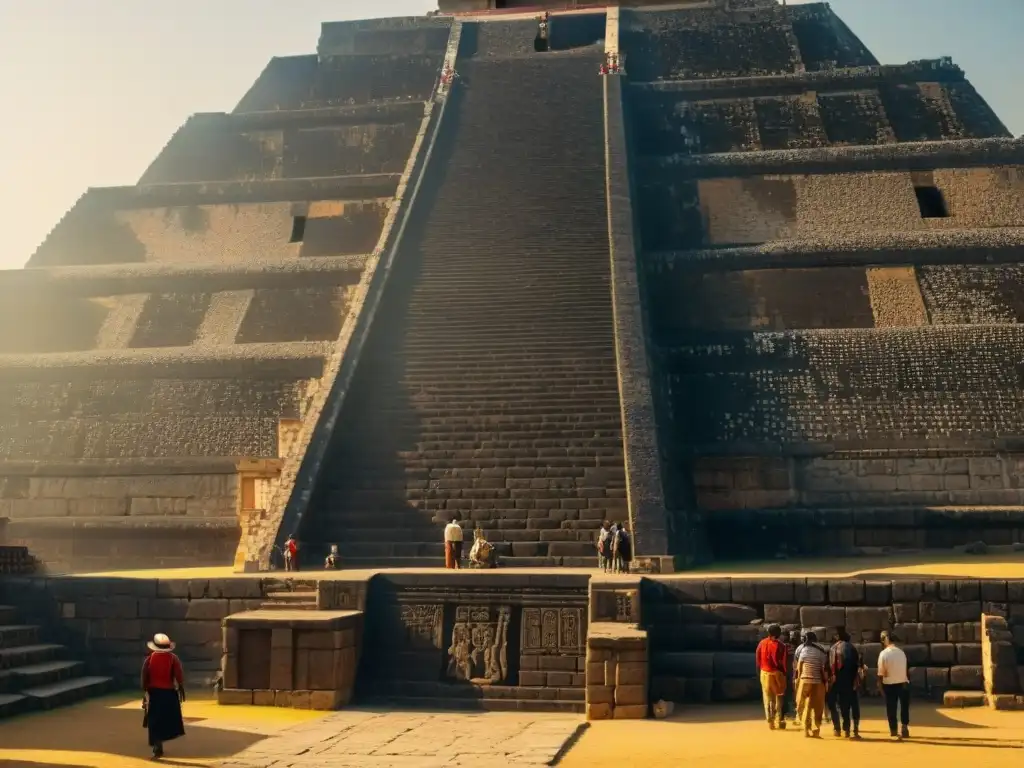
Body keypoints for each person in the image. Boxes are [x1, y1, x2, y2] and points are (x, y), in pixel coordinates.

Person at [142, 633, 186, 760]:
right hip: (168, 693)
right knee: (167, 719)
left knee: (154, 720)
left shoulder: (150, 659)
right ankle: (161, 740)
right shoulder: (173, 658)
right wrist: (181, 687)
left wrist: (145, 691)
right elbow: (179, 674)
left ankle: (157, 745)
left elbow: (144, 676)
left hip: (154, 692)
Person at [828, 628, 864, 738]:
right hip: (850, 679)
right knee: (852, 704)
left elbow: (829, 666)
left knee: (836, 704)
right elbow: (857, 664)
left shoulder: (832, 648)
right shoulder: (851, 647)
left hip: (835, 681)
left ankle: (839, 728)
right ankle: (855, 730)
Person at [795, 631, 829, 737]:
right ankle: (816, 730)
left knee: (803, 705)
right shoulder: (821, 650)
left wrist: (797, 680)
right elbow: (824, 669)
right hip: (817, 682)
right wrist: (826, 682)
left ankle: (806, 729)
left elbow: (799, 666)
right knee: (817, 707)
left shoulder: (802, 649)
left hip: (804, 681)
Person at [878, 630, 911, 740]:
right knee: (904, 707)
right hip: (903, 682)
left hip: (889, 684)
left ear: (884, 641)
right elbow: (906, 670)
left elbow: (881, 673)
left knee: (891, 708)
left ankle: (893, 730)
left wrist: (880, 686)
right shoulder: (901, 652)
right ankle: (905, 726)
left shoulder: (883, 654)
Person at [755, 624, 788, 730]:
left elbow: (758, 659)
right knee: (779, 697)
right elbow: (784, 663)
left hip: (765, 673)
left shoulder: (762, 643)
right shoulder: (781, 646)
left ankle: (771, 721)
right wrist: (784, 674)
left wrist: (759, 672)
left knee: (768, 698)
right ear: (778, 634)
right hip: (777, 674)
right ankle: (780, 719)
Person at [780, 630, 799, 724]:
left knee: (784, 694)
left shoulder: (783, 647)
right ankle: (792, 713)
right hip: (791, 673)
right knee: (790, 694)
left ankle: (785, 714)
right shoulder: (793, 647)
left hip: (786, 674)